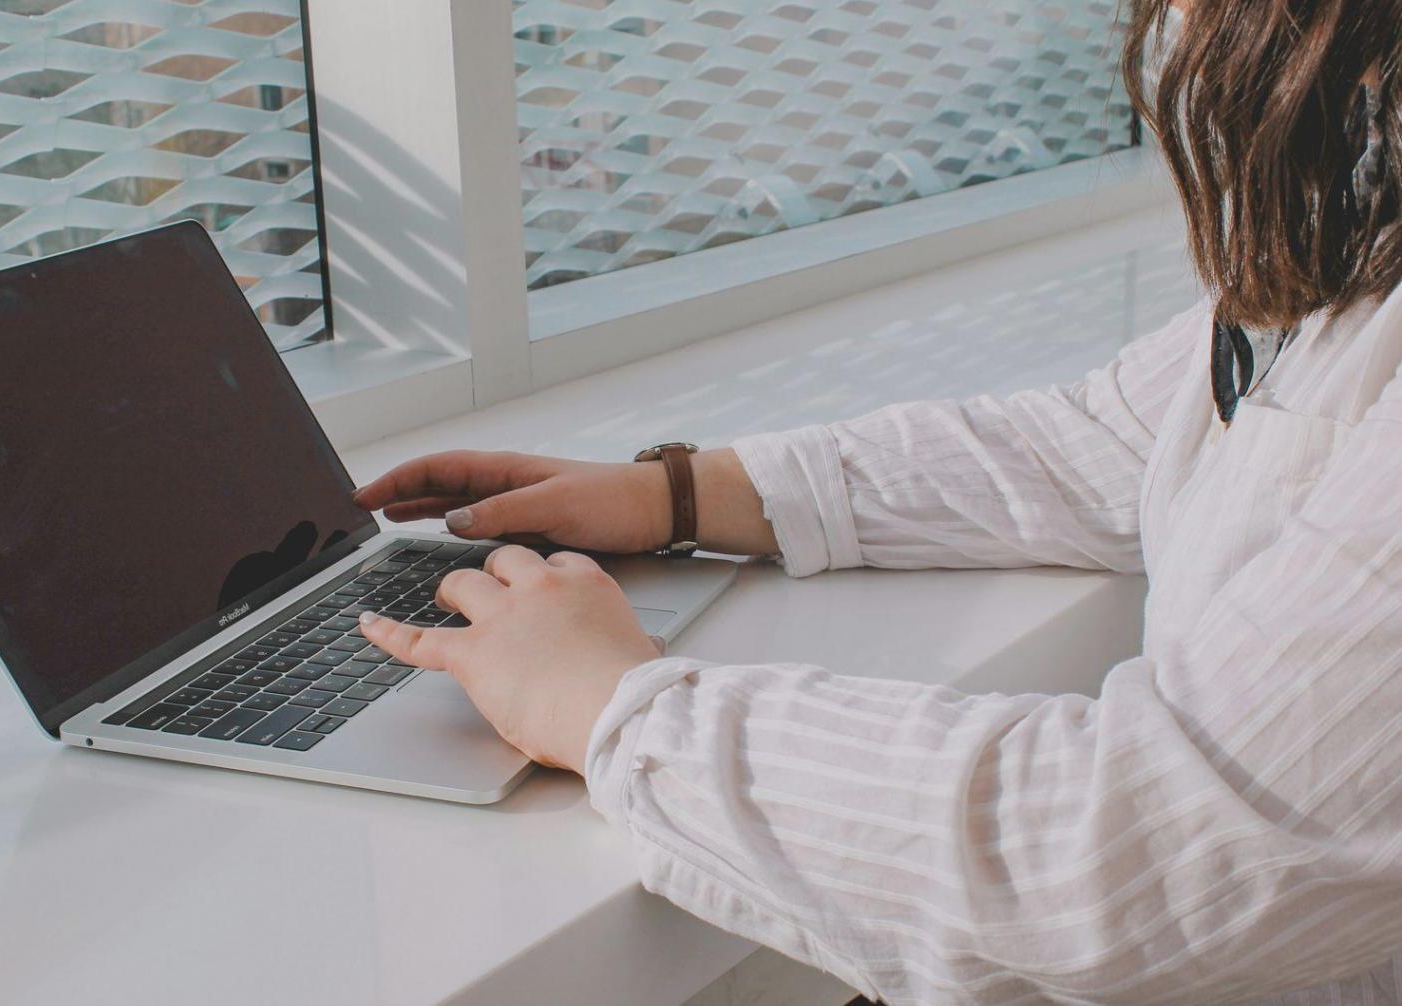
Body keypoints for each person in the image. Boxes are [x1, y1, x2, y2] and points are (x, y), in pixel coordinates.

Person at [353, 0, 1402, 1001]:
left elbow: (1137, 853)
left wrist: (611, 710)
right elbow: (1116, 435)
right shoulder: (1365, 199)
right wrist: (680, 493)